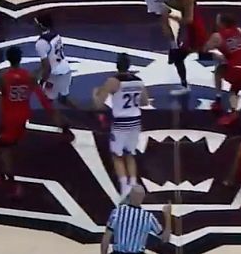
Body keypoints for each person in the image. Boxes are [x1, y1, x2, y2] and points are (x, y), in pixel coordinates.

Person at [0, 46, 62, 199]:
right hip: (23, 115)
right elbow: (41, 93)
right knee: (11, 146)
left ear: (8, 59)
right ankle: (3, 174)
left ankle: (12, 183)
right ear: (20, 58)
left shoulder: (3, 77)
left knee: (4, 149)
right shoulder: (28, 76)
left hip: (9, 118)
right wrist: (52, 114)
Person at [92, 53, 149, 196]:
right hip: (135, 120)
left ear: (117, 65)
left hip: (120, 122)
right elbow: (145, 102)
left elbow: (99, 104)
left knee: (117, 155)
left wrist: (95, 95)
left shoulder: (113, 81)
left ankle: (124, 187)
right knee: (130, 152)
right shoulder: (138, 81)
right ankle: (133, 183)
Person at [160, 0, 208, 95]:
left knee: (183, 57)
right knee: (186, 56)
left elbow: (189, 19)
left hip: (195, 31)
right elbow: (179, 5)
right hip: (191, 30)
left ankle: (185, 86)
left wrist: (172, 18)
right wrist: (166, 0)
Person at [204, 13, 241, 127]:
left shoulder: (217, 36)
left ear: (222, 23)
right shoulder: (239, 30)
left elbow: (205, 49)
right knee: (234, 89)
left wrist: (217, 55)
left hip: (235, 68)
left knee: (218, 71)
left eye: (217, 20)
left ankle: (218, 100)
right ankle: (233, 112)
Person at [101, 185, 171, 254]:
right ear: (142, 198)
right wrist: (168, 216)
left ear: (130, 195)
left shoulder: (117, 212)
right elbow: (165, 239)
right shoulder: (148, 217)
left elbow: (106, 239)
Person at [34, 13, 78, 110]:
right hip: (66, 69)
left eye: (36, 24)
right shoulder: (56, 35)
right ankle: (83, 114)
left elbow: (47, 67)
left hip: (54, 75)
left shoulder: (41, 43)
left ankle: (53, 121)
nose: (34, 27)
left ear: (41, 26)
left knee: (47, 100)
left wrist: (42, 81)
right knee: (63, 99)